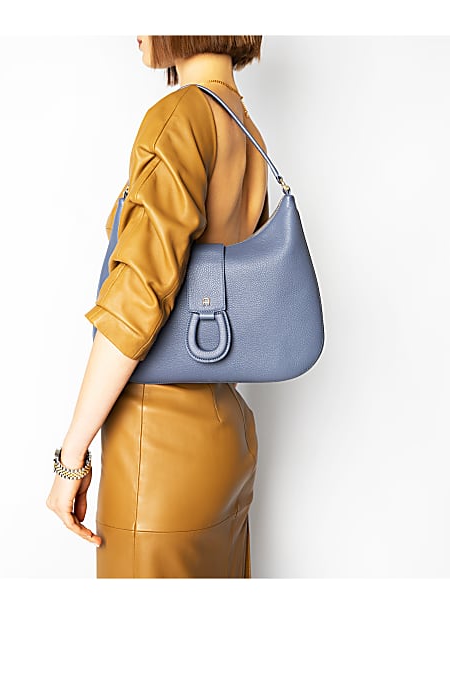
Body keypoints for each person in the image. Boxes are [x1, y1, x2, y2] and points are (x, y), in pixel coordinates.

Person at [46, 36, 270, 577]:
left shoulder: (182, 115)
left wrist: (71, 457)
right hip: (227, 439)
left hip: (158, 455)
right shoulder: (244, 126)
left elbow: (138, 296)